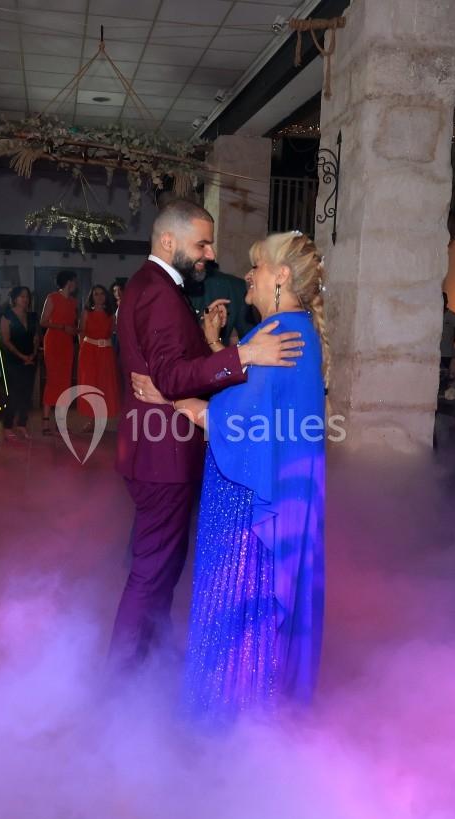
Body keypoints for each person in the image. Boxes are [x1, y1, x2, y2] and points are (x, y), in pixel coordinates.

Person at [140, 231, 327, 726]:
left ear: (282, 277)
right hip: (260, 491)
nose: (249, 274)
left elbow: (236, 422)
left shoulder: (280, 333)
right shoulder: (293, 329)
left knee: (239, 607)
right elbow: (253, 398)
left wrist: (170, 398)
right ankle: (251, 712)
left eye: (258, 266)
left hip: (246, 501)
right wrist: (215, 346)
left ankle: (229, 720)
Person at [108, 199, 304, 670]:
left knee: (162, 567)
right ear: (168, 241)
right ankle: (118, 679)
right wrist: (245, 355)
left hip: (154, 450)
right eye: (203, 243)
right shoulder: (157, 291)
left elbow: (172, 367)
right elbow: (174, 378)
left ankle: (149, 656)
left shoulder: (151, 286)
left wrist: (206, 338)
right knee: (152, 571)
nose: (211, 254)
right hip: (162, 456)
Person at [40, 271, 79, 435]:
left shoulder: (73, 302)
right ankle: (46, 422)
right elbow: (43, 322)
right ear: (69, 282)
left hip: (67, 344)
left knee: (64, 383)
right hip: (54, 342)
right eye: (74, 281)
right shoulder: (52, 297)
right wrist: (63, 327)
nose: (75, 284)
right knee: (53, 381)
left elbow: (72, 324)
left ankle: (60, 422)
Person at [0, 286, 37, 441]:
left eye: (27, 296)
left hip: (30, 359)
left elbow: (36, 337)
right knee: (13, 394)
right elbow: (6, 341)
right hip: (13, 360)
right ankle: (7, 426)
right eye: (22, 296)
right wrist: (22, 356)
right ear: (14, 298)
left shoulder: (32, 316)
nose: (25, 299)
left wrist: (32, 354)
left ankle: (22, 424)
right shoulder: (7, 316)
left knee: (26, 394)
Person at [187, 259, 256, 345]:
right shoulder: (235, 285)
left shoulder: (234, 286)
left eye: (256, 266)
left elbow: (250, 343)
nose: (212, 255)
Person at [77, 284, 119, 423]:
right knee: (91, 384)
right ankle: (92, 420)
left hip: (106, 353)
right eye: (96, 294)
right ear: (92, 297)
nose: (99, 296)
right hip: (89, 352)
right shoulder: (86, 313)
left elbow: (115, 332)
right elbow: (81, 332)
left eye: (102, 293)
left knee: (104, 384)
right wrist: (82, 348)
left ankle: (100, 418)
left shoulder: (111, 315)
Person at [441, 292, 455, 369]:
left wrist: (447, 342)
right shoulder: (434, 314)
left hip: (447, 354)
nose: (442, 301)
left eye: (444, 299)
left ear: (447, 301)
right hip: (435, 352)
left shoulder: (453, 316)